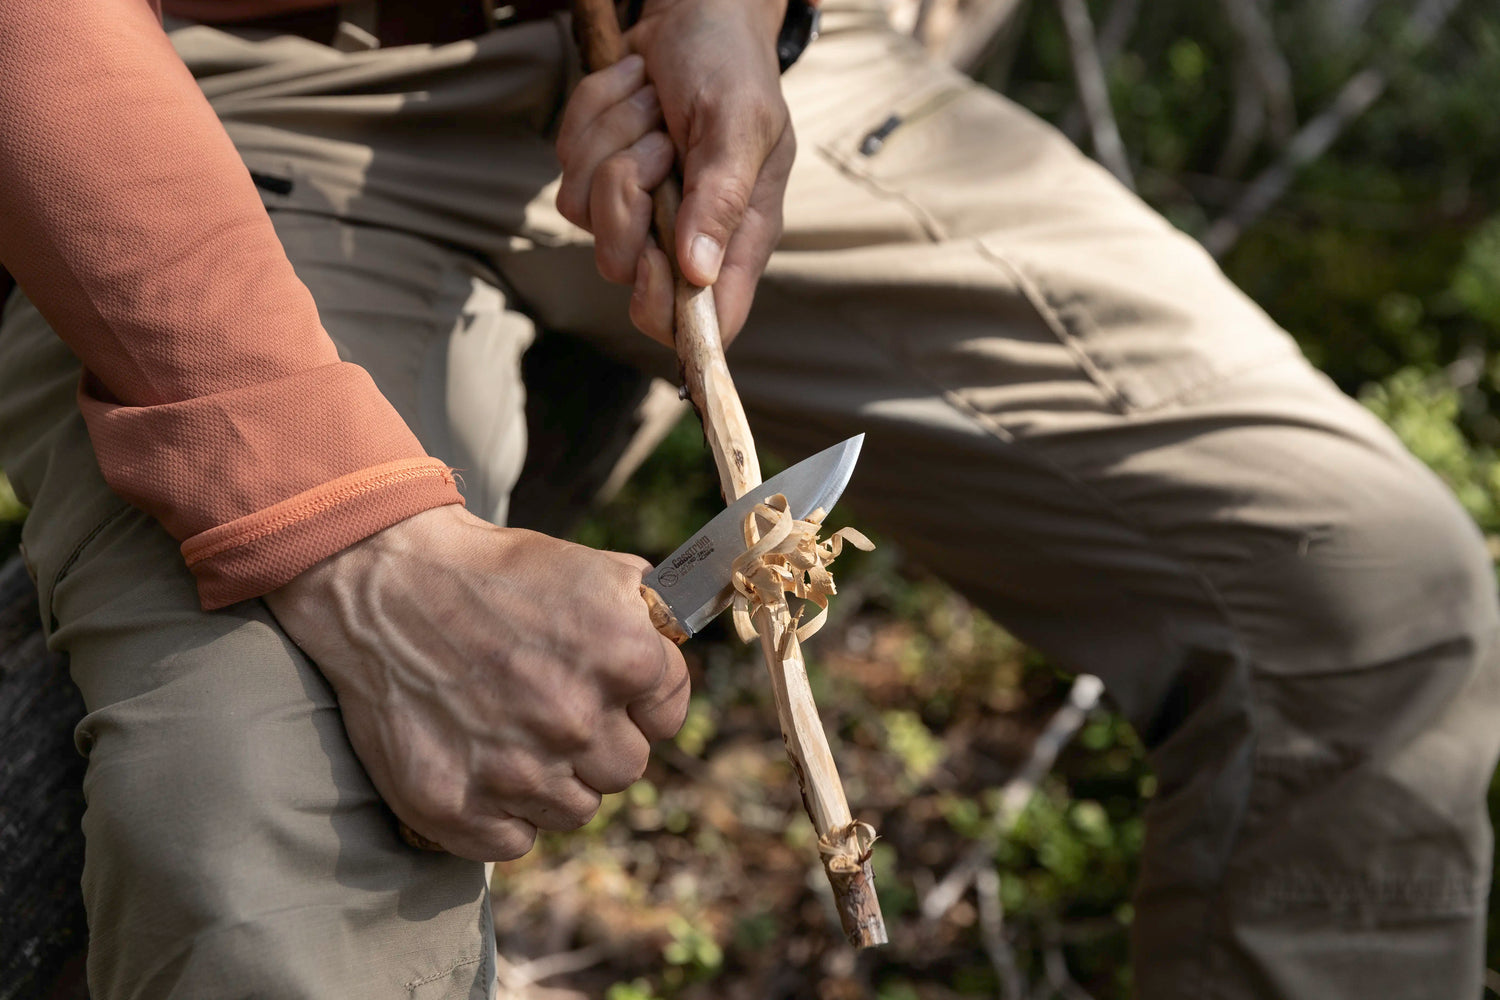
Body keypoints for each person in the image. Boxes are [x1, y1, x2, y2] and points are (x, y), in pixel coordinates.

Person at [0, 0, 1495, 996]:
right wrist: (348, 534)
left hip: (647, 66)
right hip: (193, 107)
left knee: (1357, 591)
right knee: (274, 877)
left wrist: (725, 14)